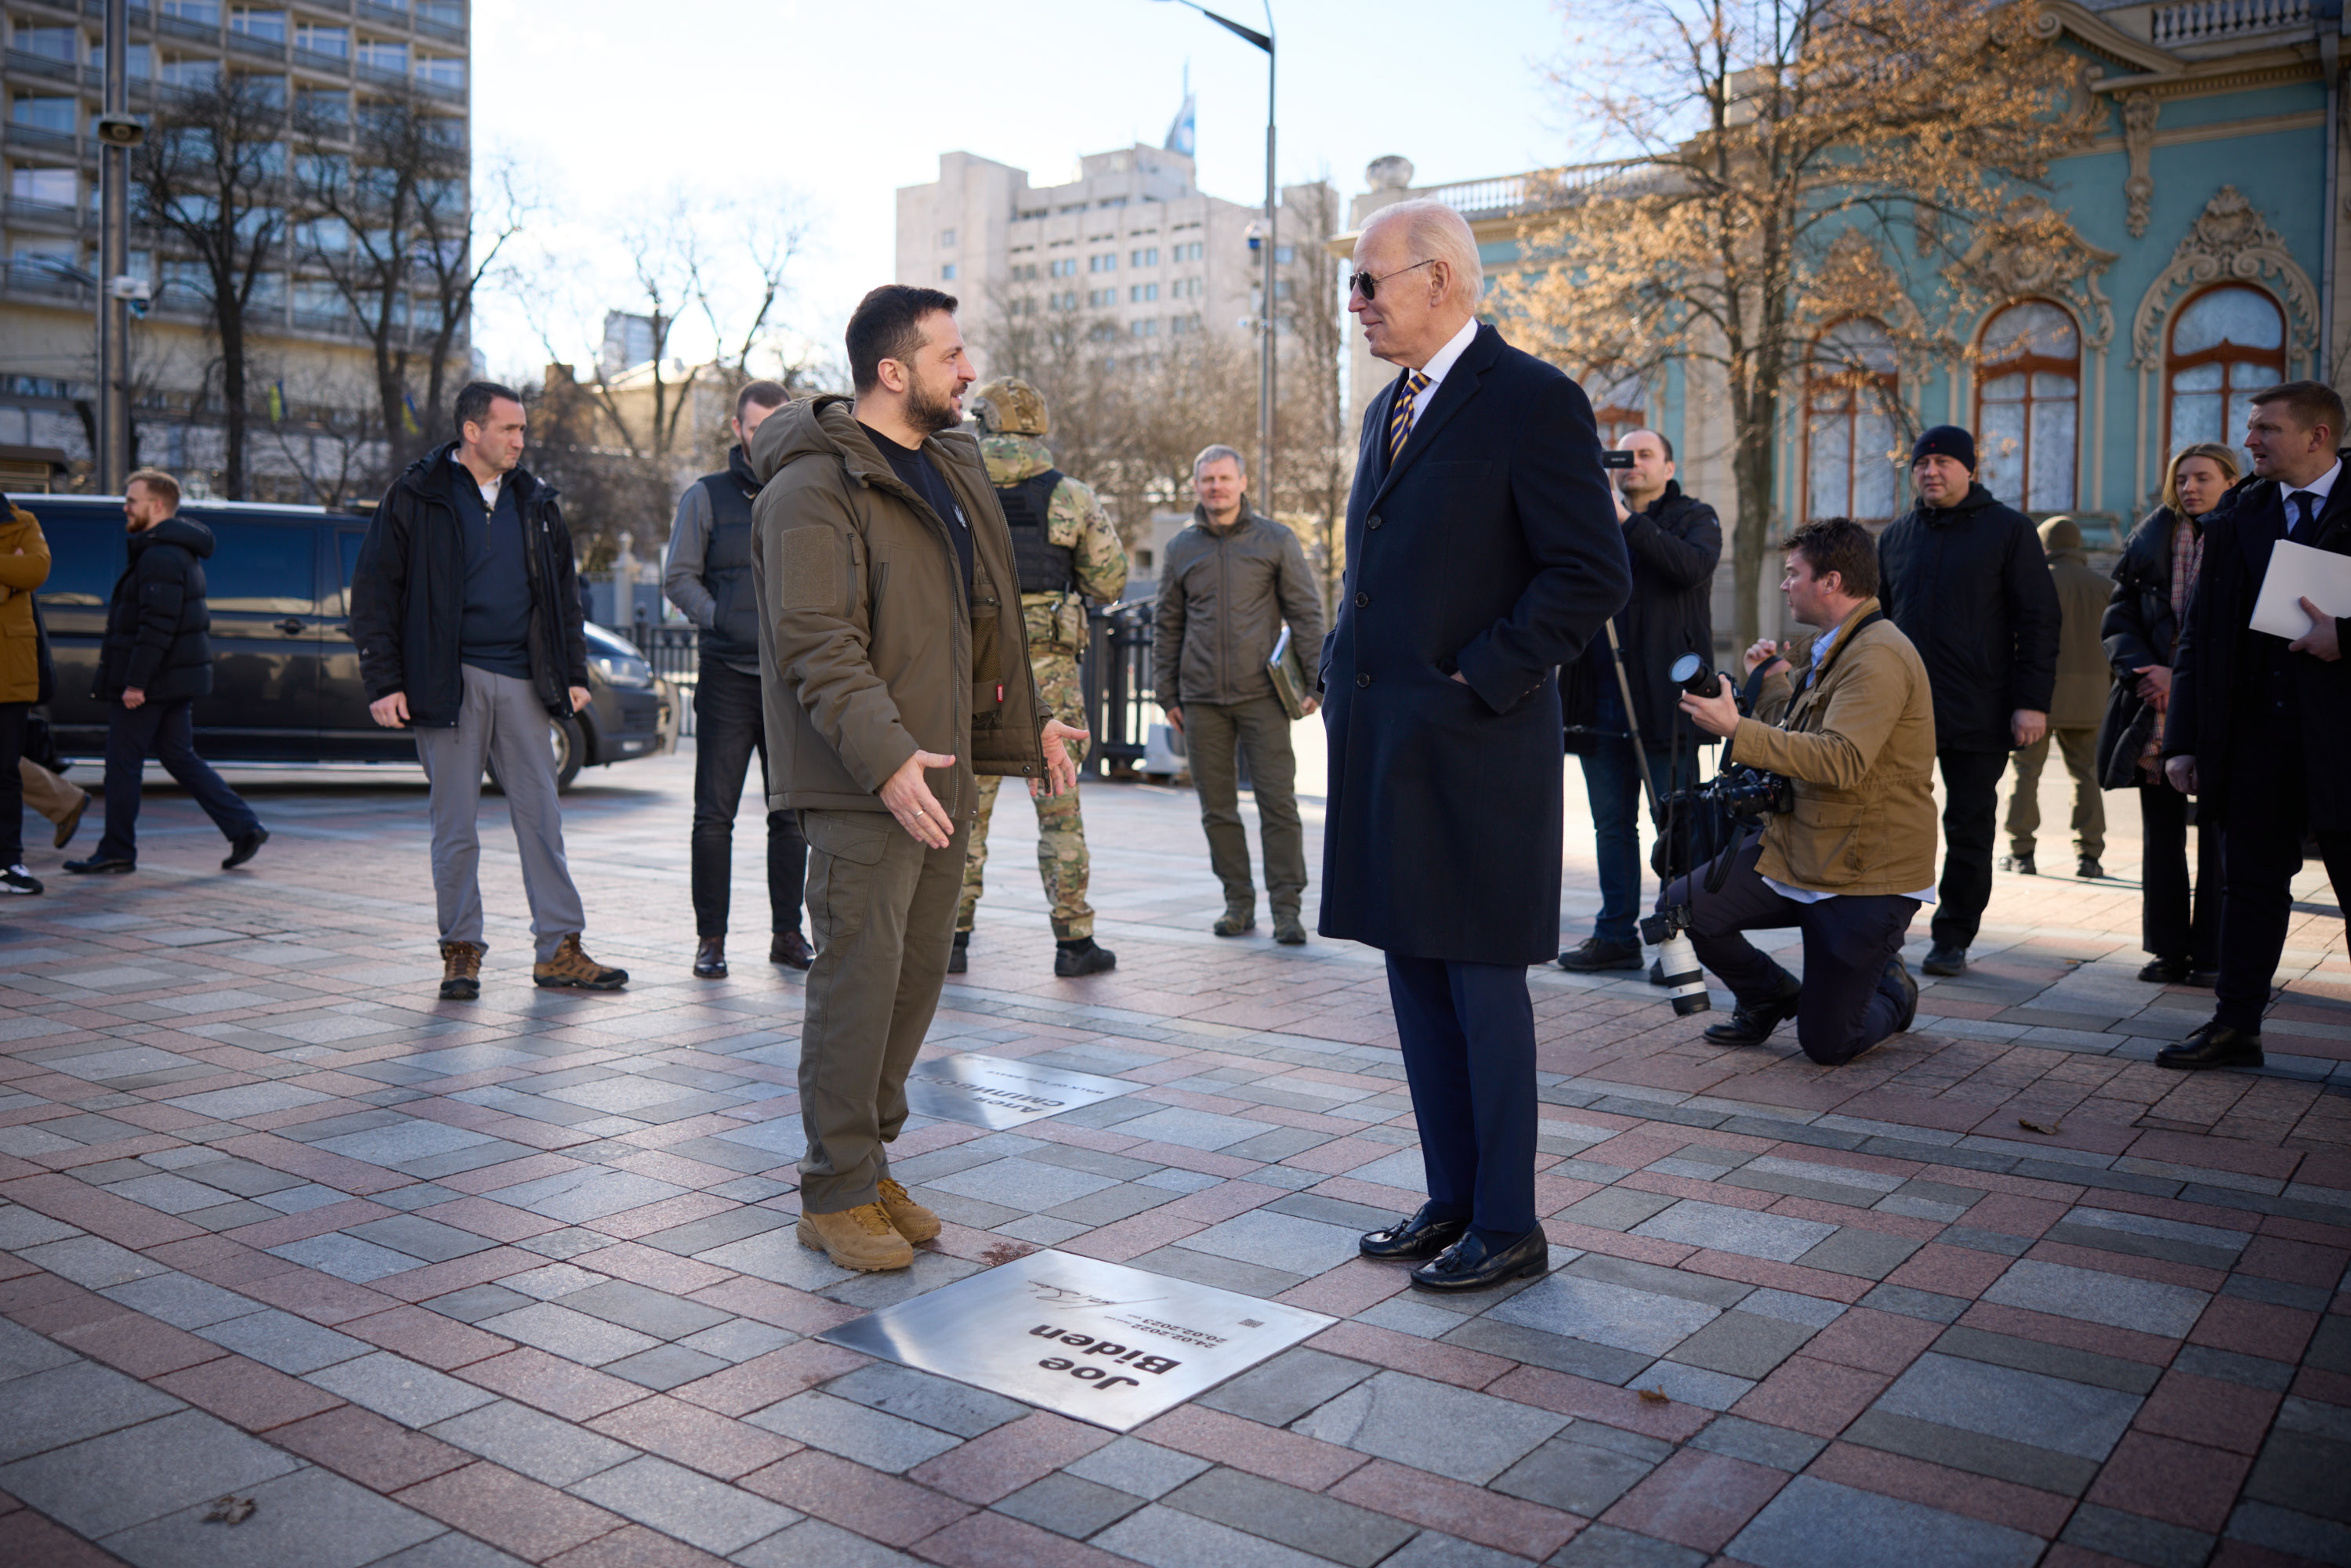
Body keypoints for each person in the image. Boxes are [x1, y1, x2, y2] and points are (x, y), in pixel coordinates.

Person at [1321, 199, 1630, 1291]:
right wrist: (1332, 660)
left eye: (1368, 282)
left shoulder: (1535, 401)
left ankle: (1510, 1222)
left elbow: (1592, 573)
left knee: (1483, 988)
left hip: (1478, 746)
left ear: (1439, 279)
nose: (1353, 302)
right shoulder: (1388, 408)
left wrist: (1482, 673)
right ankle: (1452, 1197)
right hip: (1392, 744)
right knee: (1415, 978)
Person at [748, 284, 1084, 1271]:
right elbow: (817, 643)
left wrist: (1025, 732)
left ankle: (870, 1158)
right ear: (892, 372)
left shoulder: (950, 466)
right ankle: (833, 1188)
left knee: (917, 975)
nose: (968, 369)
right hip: (864, 776)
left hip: (942, 767)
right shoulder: (812, 487)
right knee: (857, 980)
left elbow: (985, 622)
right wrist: (888, 755)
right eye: (951, 354)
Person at [349, 382, 627, 1001]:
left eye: (522, 430)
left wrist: (573, 674)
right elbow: (373, 592)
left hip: (524, 679)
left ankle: (559, 948)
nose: (521, 442)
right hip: (446, 681)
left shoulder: (536, 501)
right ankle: (461, 951)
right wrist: (384, 680)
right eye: (509, 430)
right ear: (472, 431)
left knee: (543, 819)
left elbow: (564, 597)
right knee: (455, 825)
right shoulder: (416, 495)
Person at [1668, 518, 1939, 1063]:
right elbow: (1801, 737)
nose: (1783, 583)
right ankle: (1768, 995)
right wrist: (1771, 685)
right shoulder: (1833, 645)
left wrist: (1736, 730)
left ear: (1832, 581)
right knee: (1686, 905)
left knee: (1829, 1044)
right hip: (1805, 847)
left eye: (1793, 573)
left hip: (1865, 874)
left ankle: (1892, 988)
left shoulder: (1877, 655)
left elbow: (1841, 759)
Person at [2162, 382, 2351, 1070]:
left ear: (2316, 436)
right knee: (2249, 888)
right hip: (2258, 742)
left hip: (2341, 744)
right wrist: (2184, 739)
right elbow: (2201, 637)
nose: (2250, 441)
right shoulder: (2242, 512)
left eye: (2266, 429)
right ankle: (2235, 1027)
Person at [952, 375, 1128, 977]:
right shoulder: (1070, 495)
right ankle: (1074, 941)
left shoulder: (956, 485)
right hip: (1049, 670)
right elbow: (1108, 581)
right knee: (1059, 809)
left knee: (966, 811)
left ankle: (952, 938)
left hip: (976, 667)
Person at [1878, 425, 2059, 976]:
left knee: (1969, 824)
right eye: (1922, 464)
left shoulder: (2009, 531)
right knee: (1891, 823)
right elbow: (1877, 623)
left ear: (1970, 469)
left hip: (1981, 708)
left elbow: (2040, 619)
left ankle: (1953, 935)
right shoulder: (1896, 536)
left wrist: (2031, 702)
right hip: (1902, 711)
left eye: (1944, 462)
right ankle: (1882, 930)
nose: (1931, 471)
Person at [664, 379, 814, 980]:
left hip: (788, 688)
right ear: (738, 430)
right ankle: (711, 940)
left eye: (777, 427)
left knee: (791, 816)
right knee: (713, 818)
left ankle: (786, 934)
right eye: (756, 428)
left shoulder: (806, 497)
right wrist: (722, 619)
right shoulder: (706, 497)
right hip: (726, 680)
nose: (766, 438)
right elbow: (678, 578)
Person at [1558, 428, 1721, 974]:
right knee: (1611, 825)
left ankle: (1678, 941)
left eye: (1645, 454)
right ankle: (1615, 934)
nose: (1633, 464)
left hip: (1664, 704)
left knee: (1676, 824)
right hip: (1598, 697)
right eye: (1624, 456)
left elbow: (1691, 567)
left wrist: (1625, 522)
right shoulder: (1591, 517)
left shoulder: (1696, 517)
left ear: (1669, 467)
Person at [1154, 446, 1324, 943]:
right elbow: (1168, 624)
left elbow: (1307, 613)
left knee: (1278, 805)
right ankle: (1238, 904)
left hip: (1262, 697)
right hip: (1201, 700)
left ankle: (1287, 910)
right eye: (1207, 480)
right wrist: (1168, 694)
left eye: (1225, 478)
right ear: (1197, 486)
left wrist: (1316, 682)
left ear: (1243, 482)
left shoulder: (1276, 540)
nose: (1216, 488)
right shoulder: (1182, 548)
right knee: (1217, 810)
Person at [63, 471, 267, 878]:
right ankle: (244, 827)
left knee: (122, 762)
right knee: (178, 755)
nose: (125, 507)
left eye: (132, 500)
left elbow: (157, 626)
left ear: (157, 506)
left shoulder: (160, 556)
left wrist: (135, 682)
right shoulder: (173, 551)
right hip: (173, 678)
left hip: (154, 681)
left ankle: (117, 849)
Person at [2098, 443, 2239, 987]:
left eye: (2203, 477)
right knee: (2162, 835)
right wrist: (2147, 671)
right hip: (2152, 711)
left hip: (2220, 708)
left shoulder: (2247, 535)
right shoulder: (2152, 539)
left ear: (2231, 480)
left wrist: (2183, 679)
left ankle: (2212, 954)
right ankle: (2168, 950)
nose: (2189, 488)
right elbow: (2118, 620)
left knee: (2218, 837)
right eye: (2181, 479)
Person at [2001, 516, 2110, 878]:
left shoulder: (2032, 583)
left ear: (2044, 546)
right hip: (2091, 700)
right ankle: (2090, 856)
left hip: (2037, 698)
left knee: (2025, 773)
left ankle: (2021, 852)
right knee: (2087, 777)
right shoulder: (2106, 587)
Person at [1, 501, 52, 893]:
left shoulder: (22, 521)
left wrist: (18, 573)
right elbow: (18, 572)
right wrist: (7, 575)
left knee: (5, 772)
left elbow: (35, 569)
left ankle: (8, 864)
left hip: (10, 673)